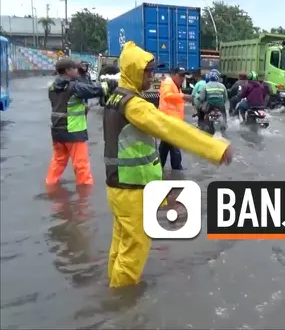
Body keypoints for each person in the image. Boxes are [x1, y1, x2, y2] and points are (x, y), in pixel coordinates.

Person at [104, 41, 233, 288]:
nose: (151, 77)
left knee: (120, 246)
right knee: (133, 255)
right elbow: (170, 128)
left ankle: (113, 285)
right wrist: (215, 148)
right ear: (133, 71)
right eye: (148, 72)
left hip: (118, 187)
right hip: (133, 190)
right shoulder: (134, 105)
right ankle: (121, 306)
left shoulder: (115, 99)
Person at [46, 58, 107, 186]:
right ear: (68, 70)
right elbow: (95, 90)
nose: (77, 71)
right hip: (74, 132)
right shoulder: (74, 87)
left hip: (57, 131)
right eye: (75, 68)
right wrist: (108, 86)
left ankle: (51, 186)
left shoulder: (52, 87)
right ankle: (85, 197)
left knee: (58, 161)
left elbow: (63, 105)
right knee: (81, 165)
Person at [158, 66, 193, 170]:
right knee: (174, 146)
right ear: (173, 75)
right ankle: (177, 170)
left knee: (165, 147)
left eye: (184, 76)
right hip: (169, 121)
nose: (182, 78)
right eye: (180, 75)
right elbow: (167, 96)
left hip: (172, 121)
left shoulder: (176, 85)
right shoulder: (168, 82)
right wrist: (183, 96)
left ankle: (159, 169)